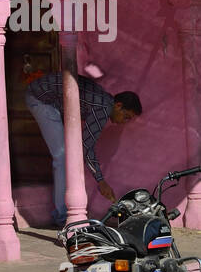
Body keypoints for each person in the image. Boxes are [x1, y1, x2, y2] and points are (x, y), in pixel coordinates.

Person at [24, 72, 142, 228]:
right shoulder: (103, 107)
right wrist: (101, 182)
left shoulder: (104, 101)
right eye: (126, 117)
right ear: (118, 105)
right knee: (63, 156)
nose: (124, 122)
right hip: (39, 98)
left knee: (69, 154)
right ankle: (62, 216)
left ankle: (69, 211)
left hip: (50, 101)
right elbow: (87, 147)